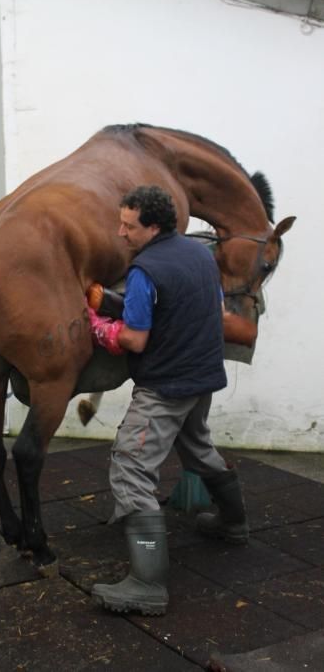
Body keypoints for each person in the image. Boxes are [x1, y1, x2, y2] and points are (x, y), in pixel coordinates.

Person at [87, 185, 249, 616]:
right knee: (197, 447)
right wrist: (122, 304)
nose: (120, 233)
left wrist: (101, 328)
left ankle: (147, 583)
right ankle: (235, 523)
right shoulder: (199, 254)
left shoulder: (144, 270)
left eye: (128, 225)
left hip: (165, 388)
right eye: (120, 222)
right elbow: (201, 310)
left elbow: (136, 341)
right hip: (202, 379)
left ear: (152, 226)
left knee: (130, 467)